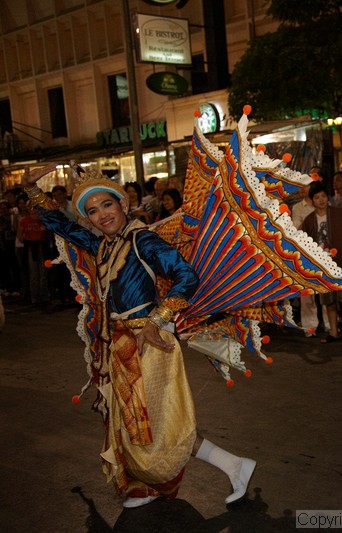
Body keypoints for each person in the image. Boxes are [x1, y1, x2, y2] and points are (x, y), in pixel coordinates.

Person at [23, 162, 256, 509]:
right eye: (92, 210)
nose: (102, 214)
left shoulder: (141, 239)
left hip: (151, 341)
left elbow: (186, 275)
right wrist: (31, 190)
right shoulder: (104, 245)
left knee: (160, 422)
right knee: (139, 423)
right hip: (122, 342)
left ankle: (228, 466)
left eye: (107, 204)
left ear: (122, 203)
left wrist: (157, 320)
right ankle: (161, 483)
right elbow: (62, 225)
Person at [301, 181, 342, 344]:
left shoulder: (339, 214)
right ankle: (333, 331)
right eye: (317, 197)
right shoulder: (309, 220)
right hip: (323, 265)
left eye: (323, 196)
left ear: (328, 197)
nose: (321, 200)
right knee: (328, 301)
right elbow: (304, 241)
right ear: (312, 200)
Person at [291, 183, 325, 336]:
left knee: (326, 290)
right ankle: (310, 326)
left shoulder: (323, 205)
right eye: (300, 186)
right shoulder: (297, 207)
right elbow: (294, 230)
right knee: (307, 293)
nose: (302, 189)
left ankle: (330, 325)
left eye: (305, 186)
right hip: (305, 251)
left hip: (323, 251)